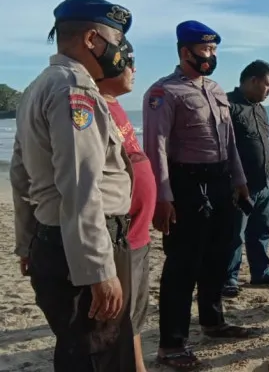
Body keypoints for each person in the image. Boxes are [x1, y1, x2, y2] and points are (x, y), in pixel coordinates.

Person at [10, 0, 136, 371]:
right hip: (83, 249)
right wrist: (99, 270)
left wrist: (27, 242)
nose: (120, 51)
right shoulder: (74, 89)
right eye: (116, 40)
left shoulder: (37, 87)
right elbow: (81, 187)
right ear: (92, 39)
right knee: (98, 354)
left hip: (55, 240)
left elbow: (21, 176)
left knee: (78, 349)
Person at [142, 20, 260, 369]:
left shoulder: (217, 90)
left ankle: (213, 321)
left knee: (218, 257)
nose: (211, 56)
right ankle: (172, 344)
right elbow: (156, 148)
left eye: (214, 51)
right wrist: (162, 198)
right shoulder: (164, 92)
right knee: (182, 265)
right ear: (185, 51)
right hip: (186, 185)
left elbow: (230, 143)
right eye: (206, 50)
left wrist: (240, 183)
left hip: (221, 182)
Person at [97, 39, 156, 372]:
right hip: (119, 234)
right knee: (121, 319)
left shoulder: (113, 104)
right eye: (128, 62)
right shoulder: (92, 106)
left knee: (133, 313)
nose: (134, 70)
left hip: (136, 231)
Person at [223, 59, 269, 297]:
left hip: (263, 184)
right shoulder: (228, 105)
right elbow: (223, 147)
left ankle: (261, 272)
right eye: (267, 85)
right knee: (234, 234)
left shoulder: (260, 108)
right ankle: (228, 278)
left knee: (261, 230)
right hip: (240, 185)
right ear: (253, 80)